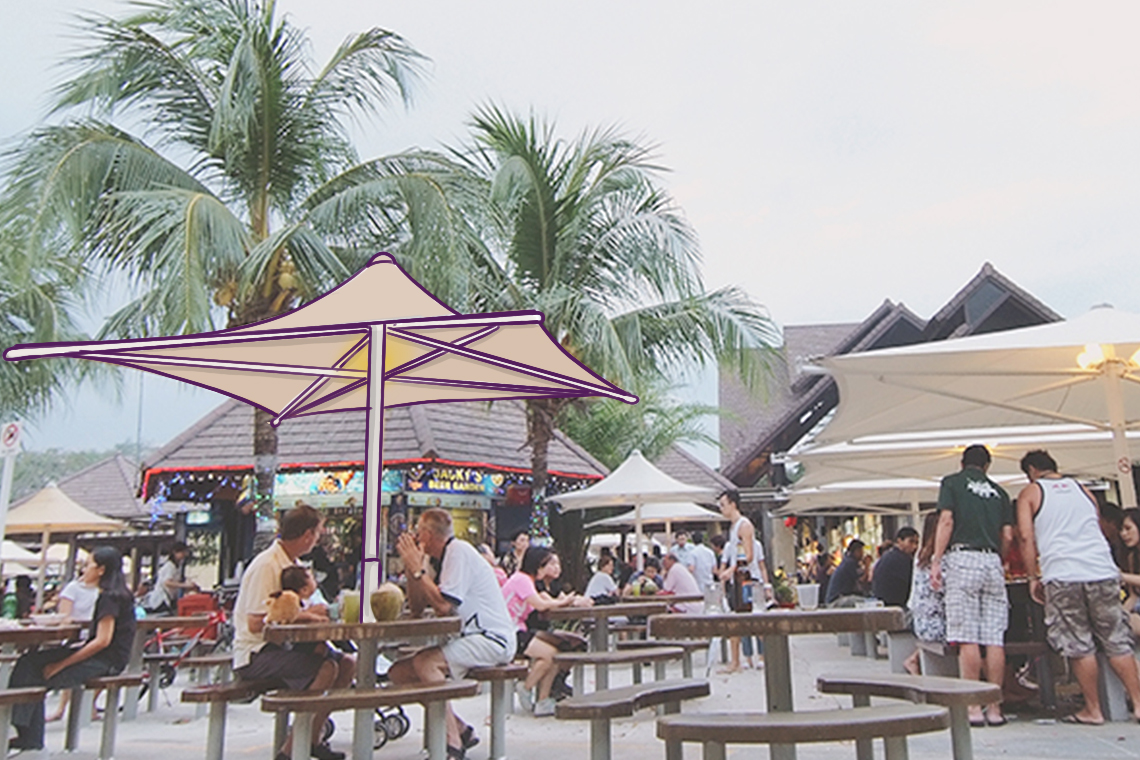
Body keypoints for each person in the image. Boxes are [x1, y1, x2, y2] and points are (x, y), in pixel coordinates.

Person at [1016, 449, 1140, 724]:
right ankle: (1139, 704)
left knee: (1078, 643)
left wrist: (1032, 577)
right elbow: (1094, 526)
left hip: (1063, 572)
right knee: (1117, 640)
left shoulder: (1032, 493)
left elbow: (1025, 536)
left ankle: (1093, 709)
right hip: (1101, 570)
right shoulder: (1084, 489)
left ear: (1032, 471)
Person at [233, 504, 356, 760]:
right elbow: (256, 622)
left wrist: (316, 613)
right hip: (256, 653)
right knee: (326, 668)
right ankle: (291, 751)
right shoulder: (268, 566)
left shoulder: (293, 564)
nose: (319, 539)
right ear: (308, 535)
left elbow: (298, 611)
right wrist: (307, 616)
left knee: (346, 664)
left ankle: (312, 736)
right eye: (319, 533)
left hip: (285, 648)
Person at [391, 509, 515, 758]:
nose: (416, 536)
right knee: (399, 673)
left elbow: (443, 605)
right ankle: (459, 728)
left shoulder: (459, 552)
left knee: (426, 663)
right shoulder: (438, 559)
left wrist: (419, 571)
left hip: (490, 637)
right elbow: (417, 607)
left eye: (418, 532)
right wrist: (413, 567)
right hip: (468, 638)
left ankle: (452, 744)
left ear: (426, 534)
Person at [7, 547, 135, 750]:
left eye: (88, 565)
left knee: (33, 671)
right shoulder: (116, 594)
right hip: (108, 657)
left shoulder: (110, 597)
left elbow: (102, 640)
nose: (84, 570)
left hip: (106, 661)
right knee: (29, 661)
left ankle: (25, 733)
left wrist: (60, 665)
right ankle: (25, 732)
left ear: (101, 570)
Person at [930, 444, 1013, 727]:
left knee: (968, 637)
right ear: (987, 466)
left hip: (963, 558)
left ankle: (974, 707)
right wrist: (999, 559)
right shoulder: (1000, 493)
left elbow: (946, 520)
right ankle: (995, 708)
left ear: (962, 463)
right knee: (994, 638)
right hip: (992, 562)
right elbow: (1008, 535)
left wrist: (936, 559)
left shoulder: (952, 483)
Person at [501, 546, 582, 716]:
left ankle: (542, 700)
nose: (546, 571)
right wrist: (562, 602)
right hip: (508, 632)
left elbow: (540, 601)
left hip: (517, 630)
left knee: (556, 651)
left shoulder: (525, 581)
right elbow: (540, 605)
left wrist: (561, 600)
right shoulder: (521, 580)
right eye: (545, 566)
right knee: (551, 654)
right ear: (537, 565)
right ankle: (526, 687)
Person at [716, 490, 770, 673]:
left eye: (723, 504)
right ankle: (736, 661)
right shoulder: (734, 527)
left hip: (748, 580)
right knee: (736, 620)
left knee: (751, 621)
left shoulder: (744, 525)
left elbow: (749, 555)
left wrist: (731, 569)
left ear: (733, 504)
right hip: (738, 580)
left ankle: (761, 656)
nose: (721, 509)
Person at [45, 561, 103, 722]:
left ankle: (90, 702)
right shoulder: (73, 588)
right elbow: (64, 615)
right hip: (75, 637)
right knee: (73, 663)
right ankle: (61, 709)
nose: (87, 570)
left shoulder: (106, 591)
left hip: (98, 636)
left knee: (109, 664)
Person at [903, 513, 946, 675]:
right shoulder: (939, 557)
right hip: (934, 625)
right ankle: (999, 683)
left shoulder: (921, 555)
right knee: (975, 634)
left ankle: (913, 659)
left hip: (919, 622)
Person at [143, 541, 197, 614]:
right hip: (161, 600)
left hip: (169, 600)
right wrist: (184, 585)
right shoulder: (170, 566)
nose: (184, 555)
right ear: (175, 552)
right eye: (182, 552)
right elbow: (167, 582)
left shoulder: (177, 567)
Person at [871, 528, 920, 608]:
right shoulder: (902, 559)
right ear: (899, 541)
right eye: (910, 542)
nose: (915, 546)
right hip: (896, 606)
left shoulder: (888, 555)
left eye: (916, 543)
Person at [1117, 508, 1140, 636]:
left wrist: (1122, 576)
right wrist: (1121, 615)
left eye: (1128, 528)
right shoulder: (1133, 557)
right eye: (1121, 530)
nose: (1124, 534)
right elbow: (1133, 595)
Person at [825, 540, 866, 606]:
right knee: (862, 602)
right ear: (856, 551)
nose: (862, 554)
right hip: (835, 600)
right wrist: (867, 566)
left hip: (838, 598)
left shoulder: (848, 561)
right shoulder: (850, 563)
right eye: (861, 551)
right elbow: (861, 580)